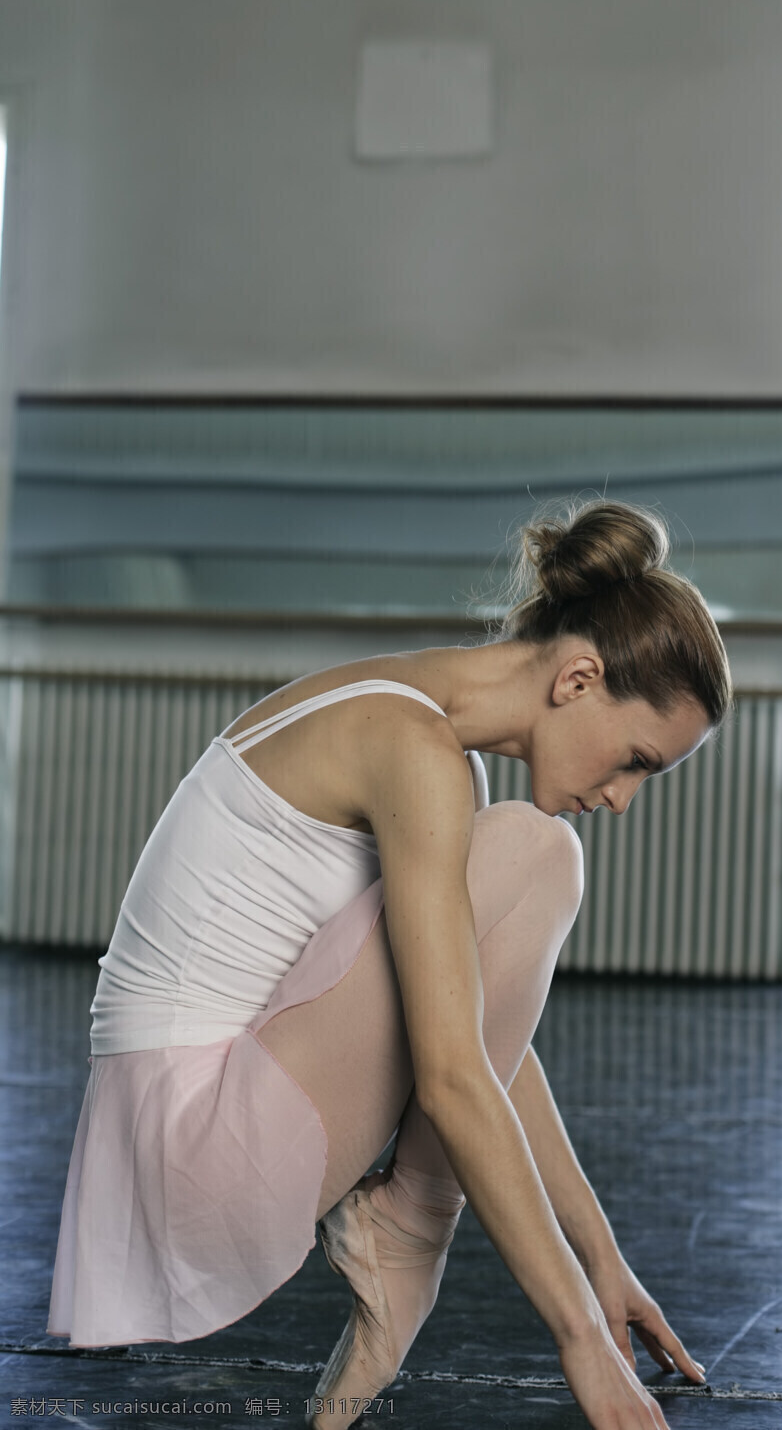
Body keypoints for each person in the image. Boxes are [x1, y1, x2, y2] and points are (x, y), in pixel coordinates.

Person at [47, 500, 731, 1429]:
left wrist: (601, 1257)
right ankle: (402, 1239)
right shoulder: (416, 753)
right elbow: (451, 1076)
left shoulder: (419, 730)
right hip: (193, 1159)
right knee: (543, 853)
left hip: (177, 1145)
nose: (620, 798)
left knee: (518, 875)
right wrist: (579, 1335)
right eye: (638, 760)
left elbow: (482, 1033)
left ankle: (402, 1243)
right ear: (578, 677)